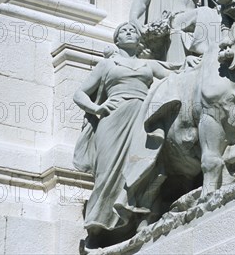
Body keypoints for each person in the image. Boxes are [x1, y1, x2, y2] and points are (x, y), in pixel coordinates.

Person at [72, 22, 182, 248]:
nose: (129, 32)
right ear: (117, 40)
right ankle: (97, 226)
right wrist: (96, 109)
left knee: (142, 167)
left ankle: (138, 218)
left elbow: (178, 74)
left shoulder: (148, 65)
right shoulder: (107, 64)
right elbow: (80, 93)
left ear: (139, 39)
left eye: (133, 30)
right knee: (107, 172)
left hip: (141, 117)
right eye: (123, 31)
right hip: (113, 120)